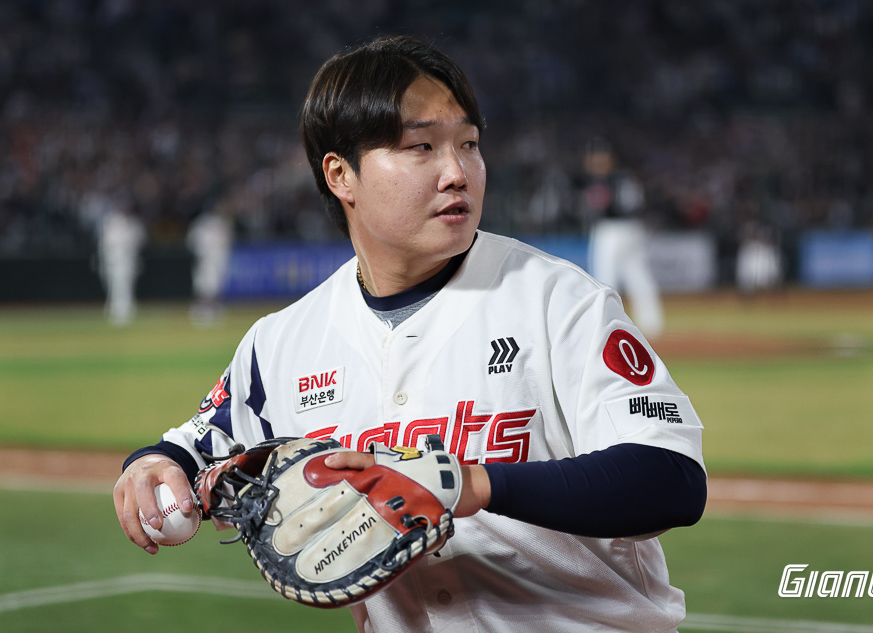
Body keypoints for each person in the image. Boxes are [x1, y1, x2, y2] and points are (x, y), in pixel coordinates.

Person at [113, 35, 706, 633]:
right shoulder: (282, 342)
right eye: (421, 147)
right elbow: (190, 448)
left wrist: (465, 483)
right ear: (341, 176)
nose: (457, 173)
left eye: (469, 144)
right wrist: (150, 466)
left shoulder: (555, 300)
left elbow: (670, 479)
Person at [580, 137, 665, 339]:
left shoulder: (606, 180)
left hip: (611, 230)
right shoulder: (628, 177)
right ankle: (652, 323)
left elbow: (600, 204)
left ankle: (606, 323)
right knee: (639, 276)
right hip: (633, 228)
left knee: (605, 278)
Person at [97, 200, 146, 326]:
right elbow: (106, 244)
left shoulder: (132, 223)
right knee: (115, 287)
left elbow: (139, 240)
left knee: (126, 286)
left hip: (128, 260)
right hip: (114, 261)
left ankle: (126, 310)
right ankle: (116, 311)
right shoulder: (112, 223)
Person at [186, 203, 234, 327]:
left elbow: (227, 241)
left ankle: (212, 310)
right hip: (205, 259)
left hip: (217, 259)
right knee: (204, 285)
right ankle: (200, 311)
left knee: (215, 285)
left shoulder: (221, 223)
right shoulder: (202, 224)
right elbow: (192, 242)